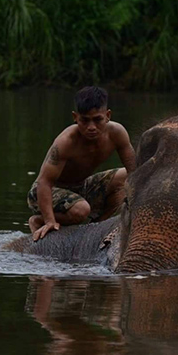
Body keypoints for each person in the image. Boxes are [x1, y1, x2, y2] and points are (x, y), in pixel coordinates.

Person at [27, 86, 136, 241]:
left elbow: (134, 171)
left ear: (108, 115)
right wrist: (49, 220)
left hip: (81, 187)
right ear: (75, 117)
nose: (91, 127)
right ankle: (38, 219)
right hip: (47, 191)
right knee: (81, 210)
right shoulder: (66, 142)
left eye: (97, 120)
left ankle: (98, 225)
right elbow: (44, 182)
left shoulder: (117, 133)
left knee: (126, 177)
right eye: (85, 120)